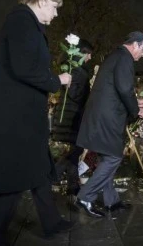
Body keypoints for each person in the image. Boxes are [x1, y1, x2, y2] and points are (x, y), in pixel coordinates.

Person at [0, 0, 74, 245]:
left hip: (23, 116)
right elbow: (25, 68)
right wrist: (56, 81)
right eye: (54, 6)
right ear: (40, 0)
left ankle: (51, 222)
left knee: (37, 168)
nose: (56, 13)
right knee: (13, 175)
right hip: (15, 117)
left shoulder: (27, 23)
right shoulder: (21, 21)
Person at [75, 31, 143, 218]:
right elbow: (124, 88)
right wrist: (136, 110)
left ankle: (111, 201)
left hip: (100, 116)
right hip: (107, 119)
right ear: (135, 45)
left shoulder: (116, 56)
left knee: (106, 159)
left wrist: (135, 100)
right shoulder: (125, 58)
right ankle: (85, 196)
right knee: (114, 158)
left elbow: (116, 89)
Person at [51, 38, 94, 195]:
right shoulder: (78, 71)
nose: (90, 58)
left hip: (69, 117)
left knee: (75, 151)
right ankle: (51, 176)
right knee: (74, 151)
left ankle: (72, 185)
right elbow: (75, 94)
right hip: (72, 118)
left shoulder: (74, 69)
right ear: (82, 53)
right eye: (89, 54)